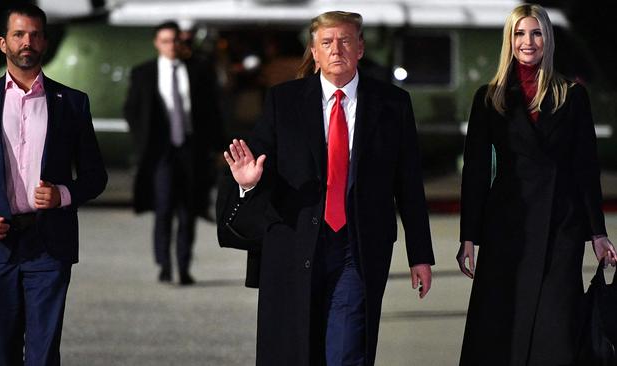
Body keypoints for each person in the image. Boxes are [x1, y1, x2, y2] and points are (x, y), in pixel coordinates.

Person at [219, 11, 434, 366]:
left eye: (346, 40)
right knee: (295, 350)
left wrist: (421, 255)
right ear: (314, 52)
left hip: (358, 247)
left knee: (347, 350)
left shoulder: (392, 104)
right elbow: (257, 165)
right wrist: (249, 184)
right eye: (327, 42)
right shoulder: (282, 102)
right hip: (294, 244)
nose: (337, 49)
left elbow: (408, 183)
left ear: (361, 48)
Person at [456, 4, 616, 365]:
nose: (528, 41)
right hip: (506, 228)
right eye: (519, 33)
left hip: (562, 229)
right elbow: (477, 171)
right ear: (509, 40)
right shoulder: (489, 98)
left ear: (548, 38)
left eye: (536, 33)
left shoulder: (571, 96)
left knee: (557, 326)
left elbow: (585, 169)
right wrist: (469, 235)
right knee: (501, 325)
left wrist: (598, 232)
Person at [0, 3, 107, 365]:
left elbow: (95, 176)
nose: (26, 42)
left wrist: (63, 194)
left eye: (34, 35)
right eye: (18, 34)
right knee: (2, 351)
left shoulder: (73, 103)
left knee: (44, 354)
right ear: (2, 43)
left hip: (49, 245)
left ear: (44, 42)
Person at [124, 21, 224, 285]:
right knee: (164, 207)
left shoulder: (199, 72)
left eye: (176, 41)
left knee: (188, 210)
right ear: (157, 43)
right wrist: (142, 141)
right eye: (166, 41)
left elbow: (212, 112)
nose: (171, 46)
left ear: (182, 43)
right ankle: (164, 265)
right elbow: (132, 109)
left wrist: (218, 147)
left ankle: (184, 264)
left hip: (191, 149)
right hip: (161, 151)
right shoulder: (144, 73)